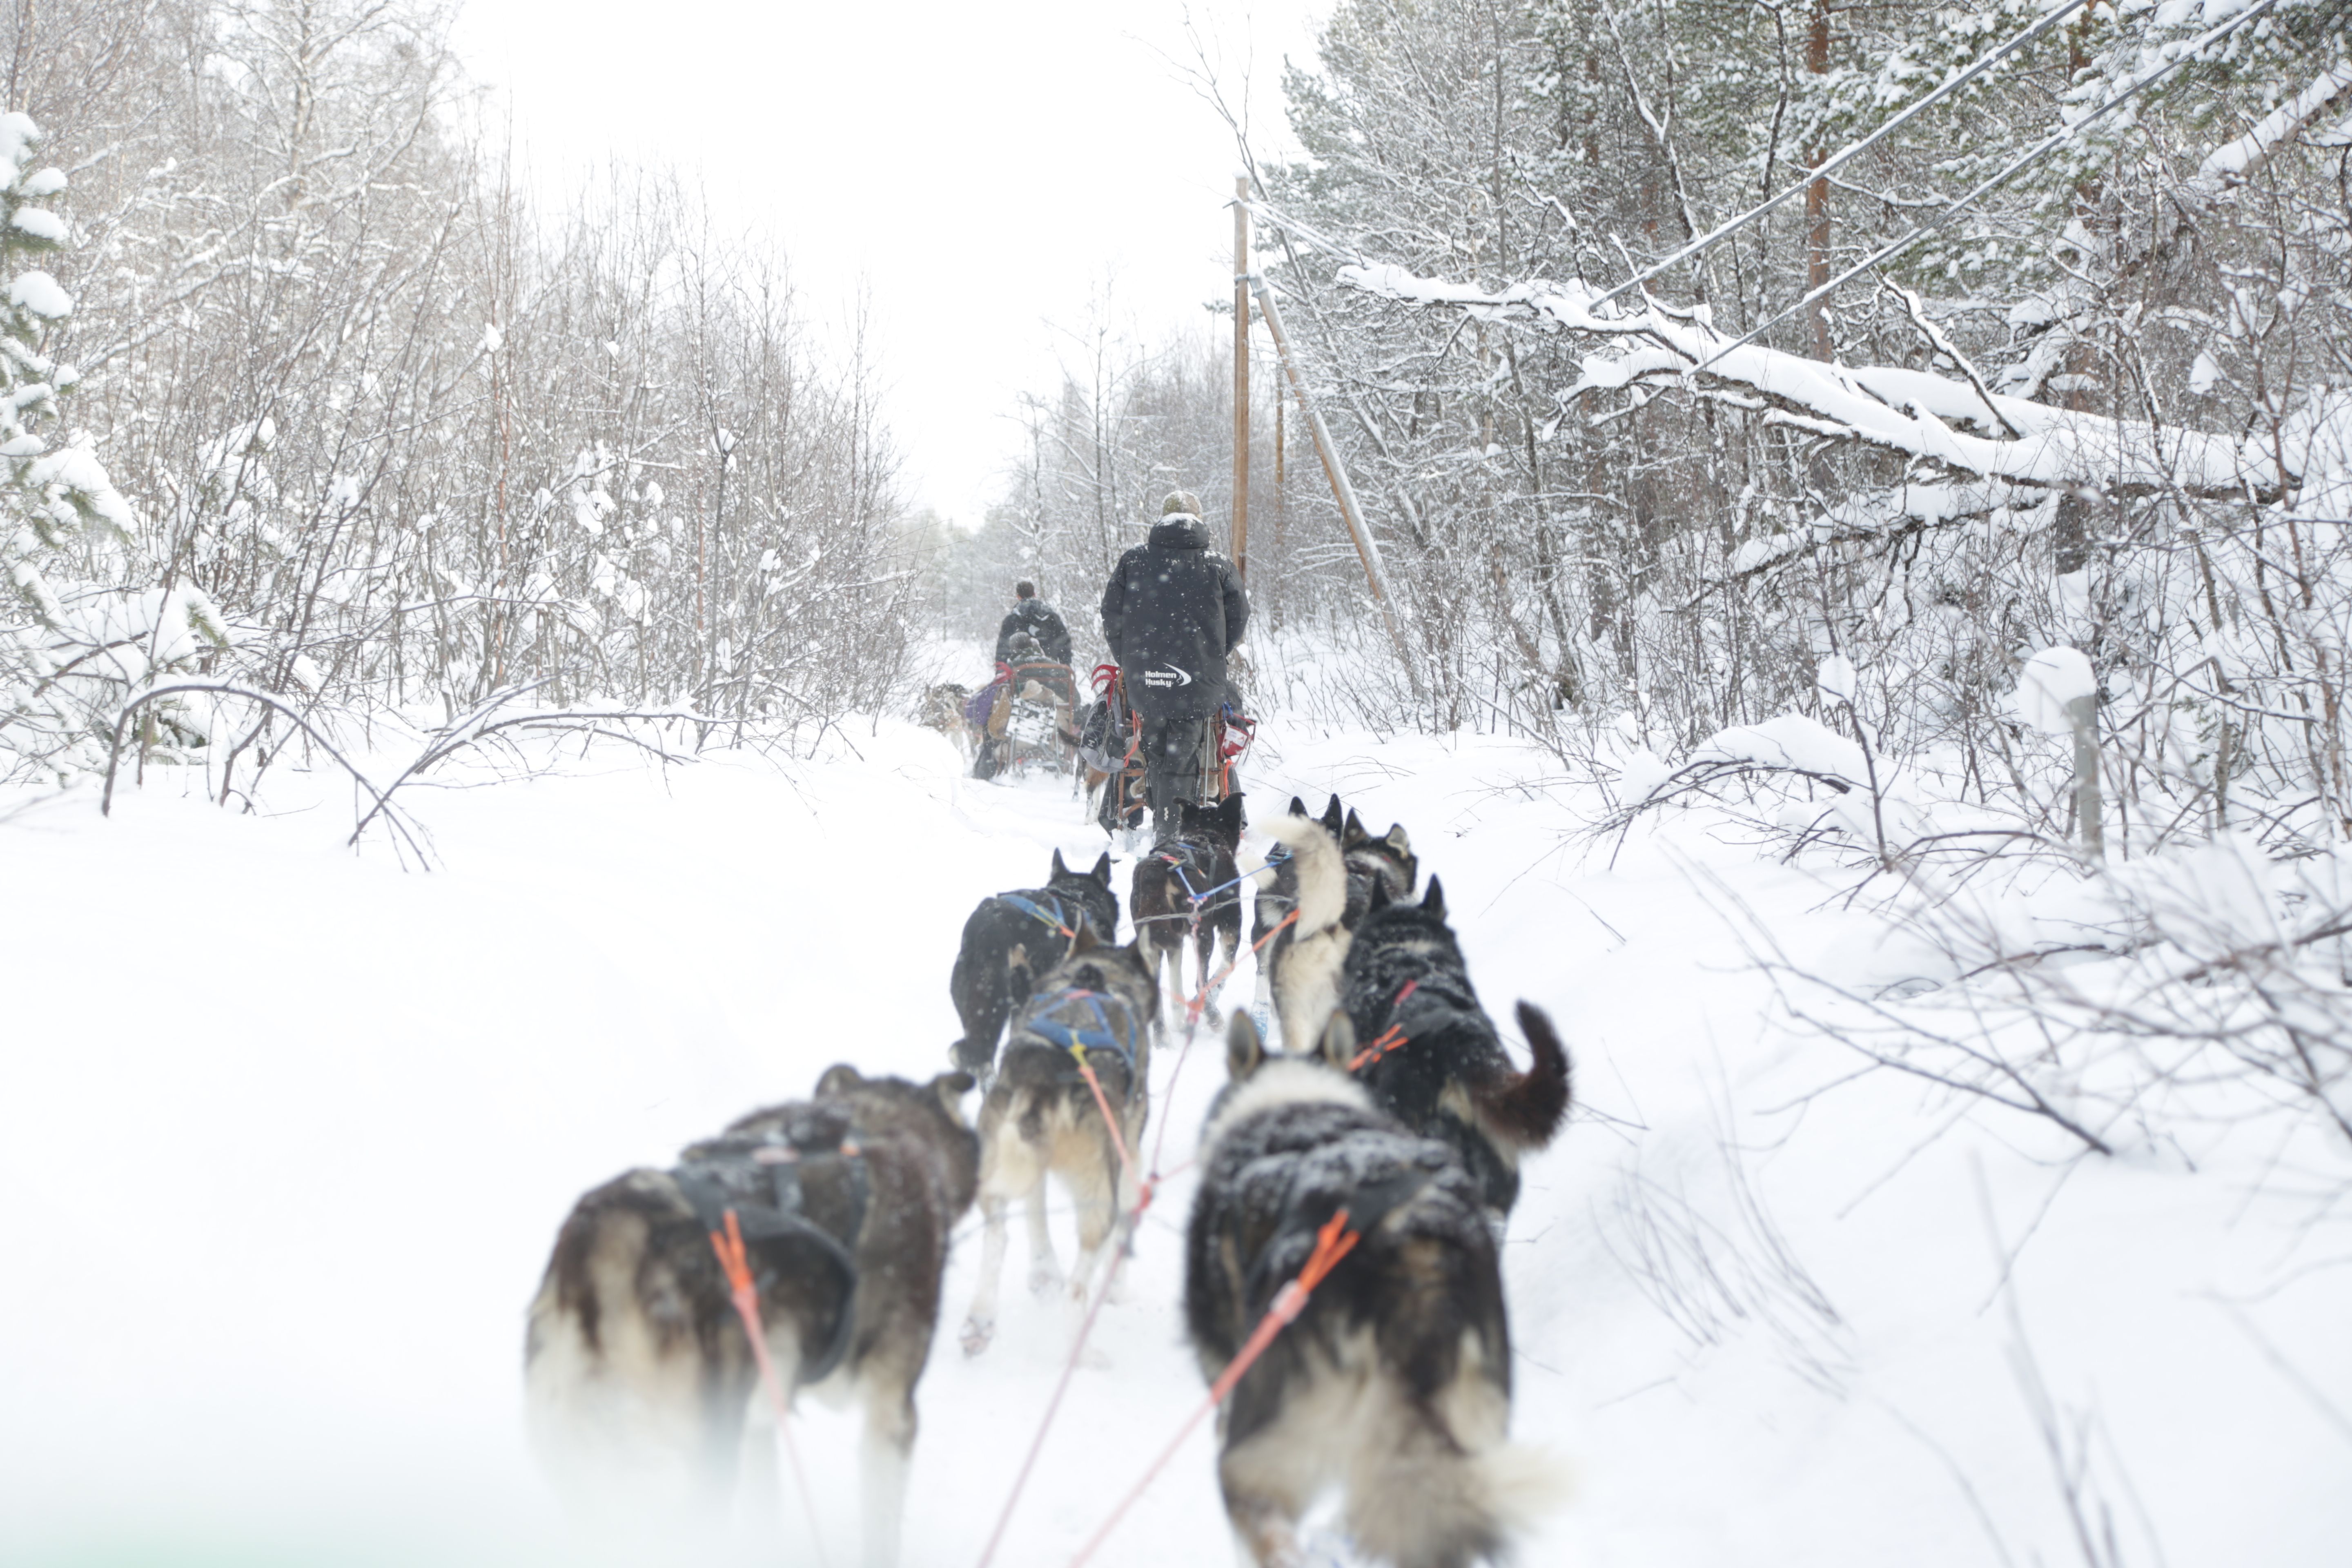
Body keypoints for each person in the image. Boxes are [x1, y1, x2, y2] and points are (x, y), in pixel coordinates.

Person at [1098, 490, 1250, 824]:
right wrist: (1214, 655)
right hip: (1198, 683)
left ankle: (1162, 822)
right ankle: (1172, 831)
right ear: (1199, 518)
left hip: (1147, 682)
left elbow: (1112, 616)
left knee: (1155, 754)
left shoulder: (1133, 561)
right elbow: (1239, 617)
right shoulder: (1218, 565)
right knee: (1182, 757)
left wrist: (1130, 660)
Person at [994, 581, 1072, 668]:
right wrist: (1065, 667)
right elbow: (1064, 643)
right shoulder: (1052, 617)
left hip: (1020, 674)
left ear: (1018, 597)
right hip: (1050, 672)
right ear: (1035, 594)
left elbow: (1003, 649)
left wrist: (1001, 671)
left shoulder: (1012, 619)